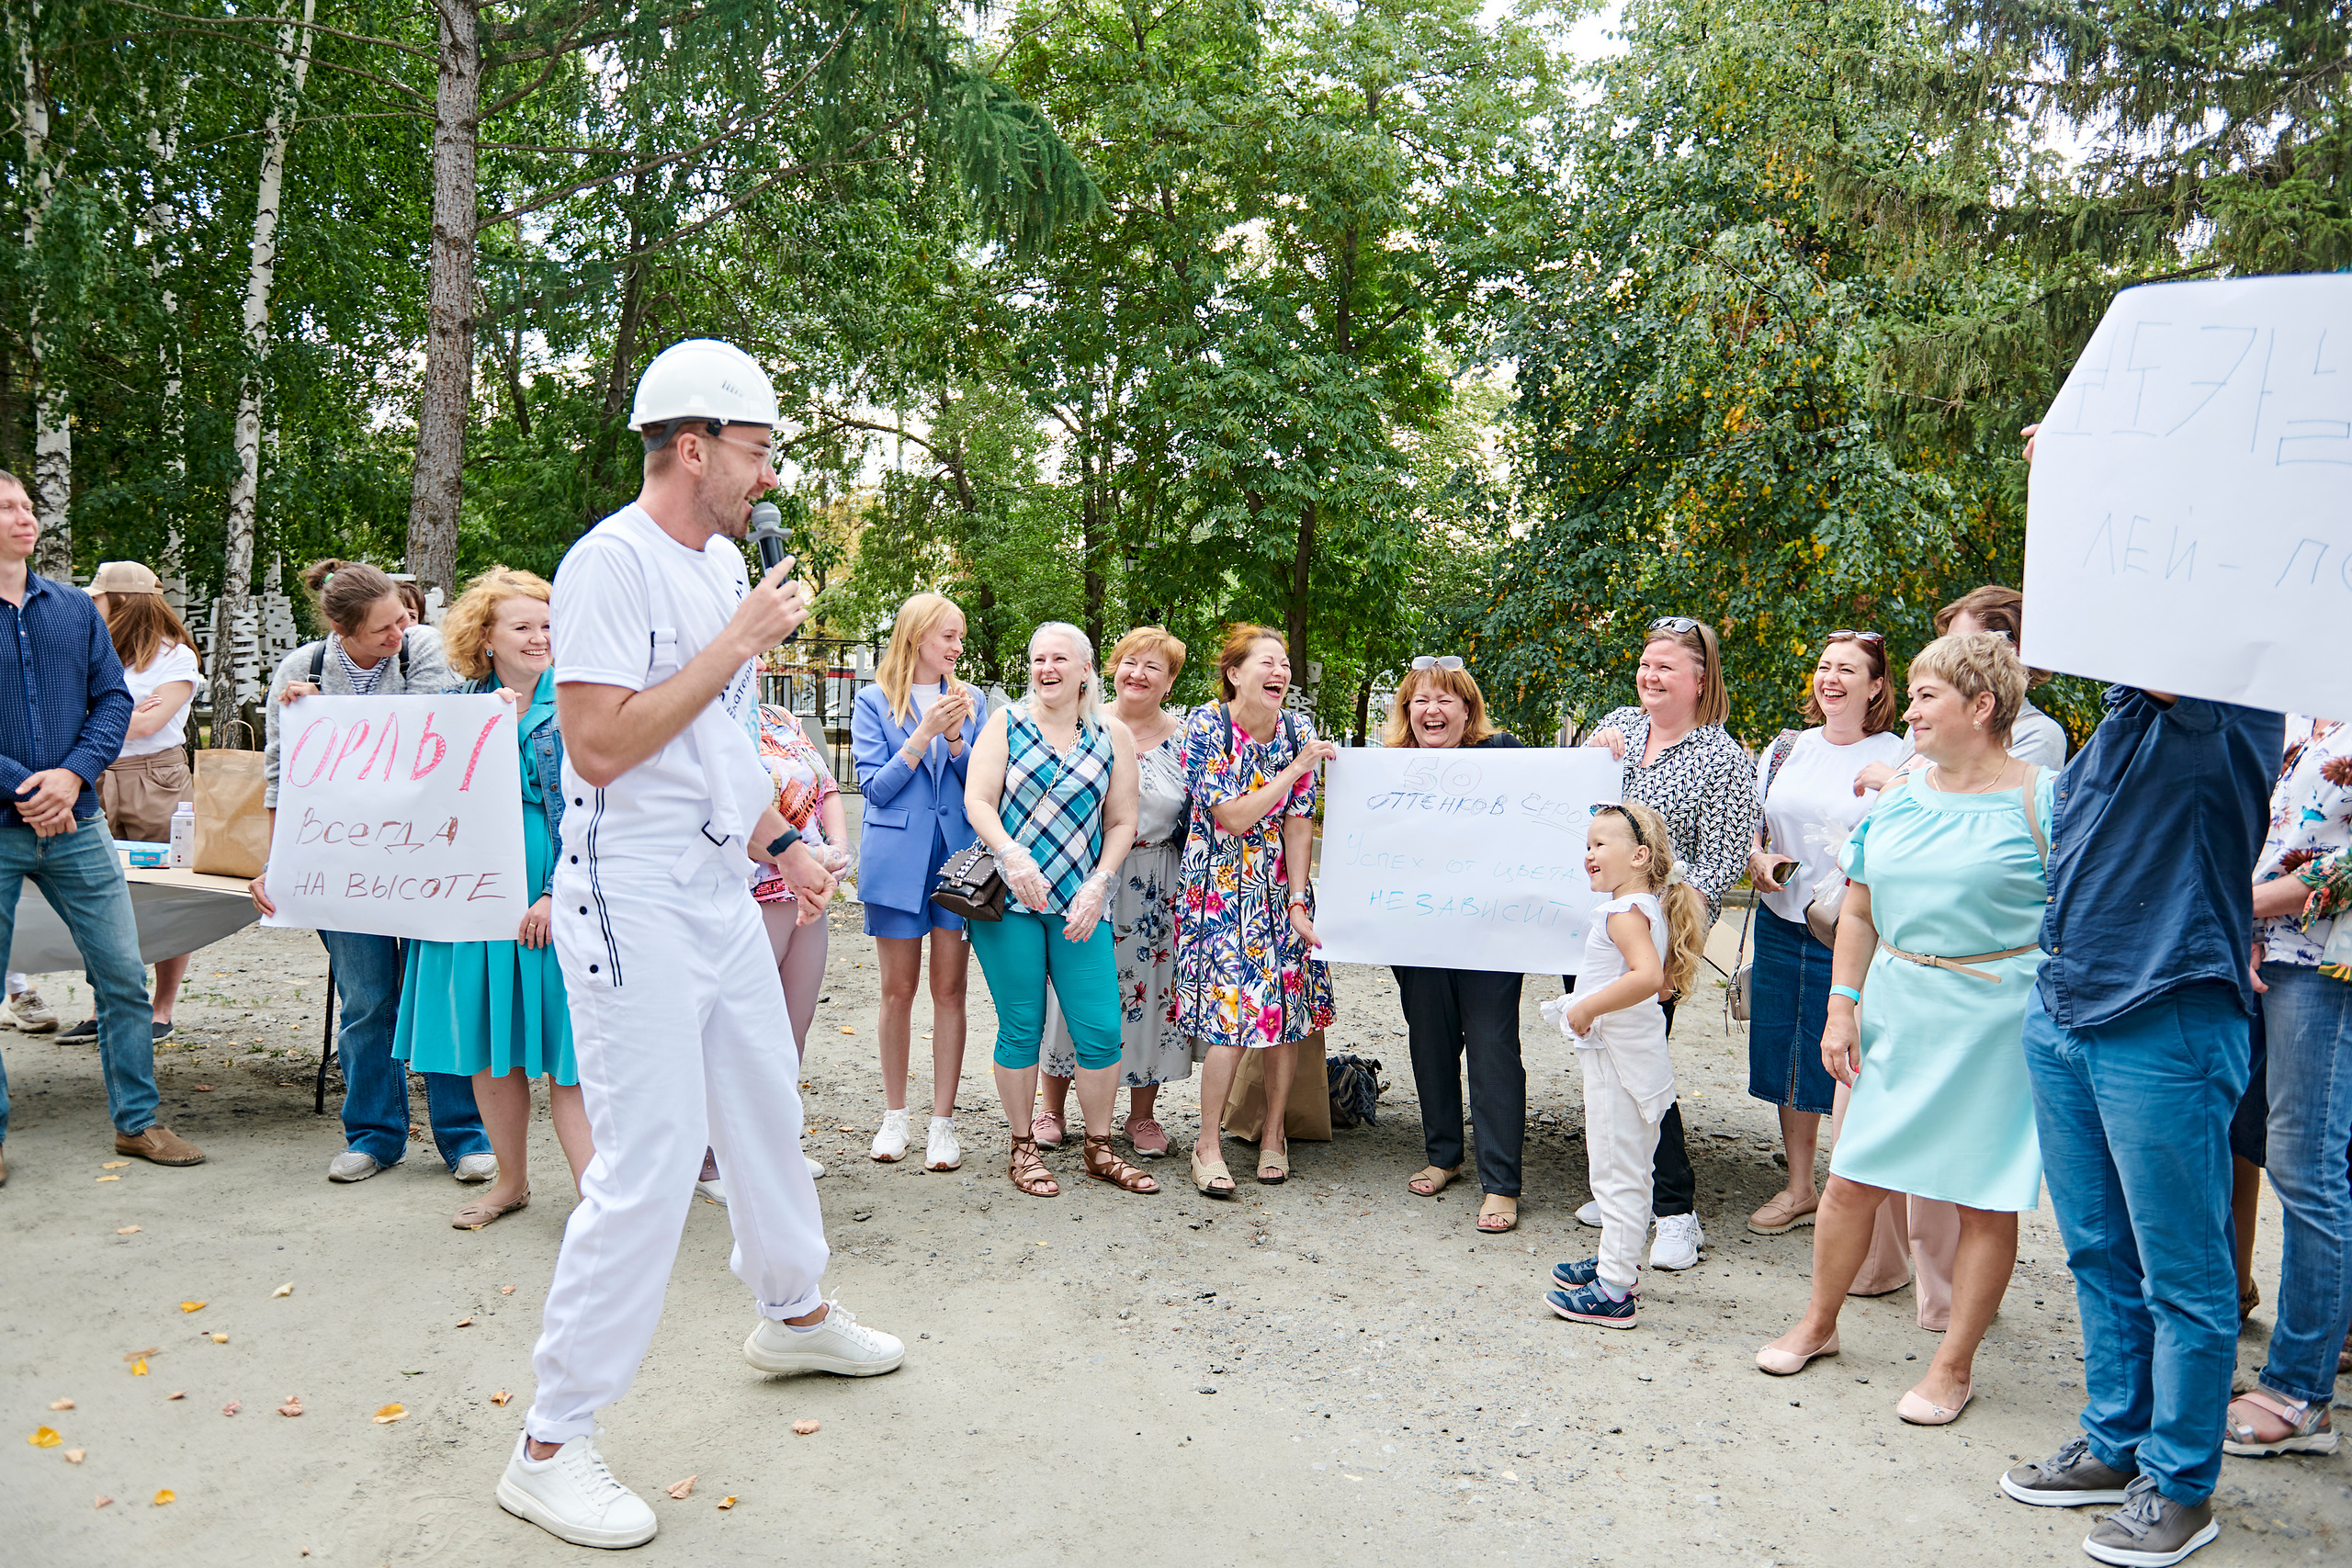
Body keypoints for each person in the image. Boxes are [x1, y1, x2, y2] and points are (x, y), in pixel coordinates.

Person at [497, 339, 902, 1549]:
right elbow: (599, 745)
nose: (767, 476)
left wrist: (783, 841)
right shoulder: (609, 563)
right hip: (628, 895)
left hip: (719, 885)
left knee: (764, 1104)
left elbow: (718, 741)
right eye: (757, 451)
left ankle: (793, 1312)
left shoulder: (722, 560)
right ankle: (549, 1444)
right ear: (692, 446)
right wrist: (735, 641)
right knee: (653, 1156)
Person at [1995, 423, 2279, 1568]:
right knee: (2097, 1254)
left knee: (2185, 1276)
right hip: (2065, 1009)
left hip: (2164, 1016)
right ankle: (2115, 1441)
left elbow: (2132, 612)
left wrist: (2084, 479)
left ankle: (2180, 1484)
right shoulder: (2123, 718)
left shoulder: (2222, 698)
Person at [1755, 634, 2053, 1427]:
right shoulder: (1902, 792)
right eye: (1912, 693)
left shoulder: (2045, 798)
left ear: (1981, 706)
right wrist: (1842, 1005)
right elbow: (1858, 908)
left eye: (1926, 696)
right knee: (1852, 1179)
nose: (1909, 711)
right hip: (1895, 1008)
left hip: (1995, 1022)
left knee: (1982, 1199)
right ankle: (1818, 1323)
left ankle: (1953, 1365)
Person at [250, 558, 490, 1186]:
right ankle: (373, 1136)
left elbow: (425, 736)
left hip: (430, 861)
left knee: (439, 993)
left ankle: (465, 1136)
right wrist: (277, 865)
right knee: (365, 1000)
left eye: (402, 619)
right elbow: (281, 779)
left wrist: (329, 718)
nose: (398, 633)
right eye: (383, 628)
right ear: (342, 629)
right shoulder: (299, 670)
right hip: (346, 865)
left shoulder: (424, 650)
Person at [0, 470, 202, 1183]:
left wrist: (72, 776)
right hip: (3, 822)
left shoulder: (71, 610)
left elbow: (113, 700)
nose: (25, 516)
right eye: (7, 507)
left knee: (120, 972)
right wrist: (27, 785)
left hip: (78, 820)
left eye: (28, 505)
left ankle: (138, 1123)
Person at [389, 568, 590, 1231]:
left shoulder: (581, 700)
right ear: (486, 637)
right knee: (490, 1046)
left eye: (548, 624)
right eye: (522, 626)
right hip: (474, 896)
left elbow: (599, 810)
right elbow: (390, 768)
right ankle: (511, 1182)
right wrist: (304, 703)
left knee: (569, 1053)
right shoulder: (458, 703)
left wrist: (556, 891)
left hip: (555, 891)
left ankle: (597, 1201)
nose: (540, 637)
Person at [1579, 615, 1759, 1269]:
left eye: (1666, 668)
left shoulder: (1722, 757)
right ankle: (1625, 1191)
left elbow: (1721, 861)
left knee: (1642, 1068)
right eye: (1645, 664)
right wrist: (1590, 751)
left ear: (1700, 680)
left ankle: (1677, 1210)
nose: (1650, 676)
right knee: (1605, 1065)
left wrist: (1669, 939)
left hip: (1654, 939)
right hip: (1596, 926)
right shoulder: (1619, 726)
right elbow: (1572, 806)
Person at [963, 622, 1152, 1197]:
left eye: (1060, 659)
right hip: (1010, 901)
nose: (1047, 668)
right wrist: (1011, 854)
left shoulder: (1111, 733)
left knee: (1101, 1029)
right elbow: (978, 800)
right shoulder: (1006, 723)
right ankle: (1023, 1148)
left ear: (1085, 670)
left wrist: (1101, 883)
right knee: (1022, 1027)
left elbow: (1122, 820)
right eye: (1039, 659)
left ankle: (1099, 1148)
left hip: (1081, 905)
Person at [1742, 632, 1907, 1235]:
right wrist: (1758, 857)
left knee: (1848, 1054)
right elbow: (1755, 821)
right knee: (1786, 1048)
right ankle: (1799, 1187)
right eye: (1824, 666)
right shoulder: (1788, 747)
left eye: (1848, 670)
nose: (1830, 678)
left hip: (1855, 930)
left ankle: (1852, 1194)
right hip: (1782, 920)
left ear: (1877, 686)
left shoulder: (1901, 756)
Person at [2222, 713, 2351, 1457]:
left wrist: (2240, 905)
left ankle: (2301, 1392)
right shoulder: (2303, 703)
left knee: (2309, 1170)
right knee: (2240, 1142)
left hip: (2329, 965)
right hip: (2266, 951)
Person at [1171, 626, 1338, 1195]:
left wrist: (1298, 899)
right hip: (1219, 891)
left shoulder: (1297, 730)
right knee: (1231, 1018)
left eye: (1285, 664)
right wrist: (1293, 770)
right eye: (1267, 662)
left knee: (1284, 1016)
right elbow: (1233, 817)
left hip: (1279, 890)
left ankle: (1273, 1136)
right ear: (1235, 673)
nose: (1280, 672)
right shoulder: (1205, 726)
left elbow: (1299, 822)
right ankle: (1207, 1144)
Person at [1540, 799, 1707, 1326]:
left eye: (1600, 844)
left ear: (1639, 856)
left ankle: (1614, 1290)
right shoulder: (1645, 907)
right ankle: (1616, 1260)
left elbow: (1649, 979)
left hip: (1619, 1062)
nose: (1589, 853)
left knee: (1616, 1172)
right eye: (1586, 844)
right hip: (1634, 1059)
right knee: (1626, 1168)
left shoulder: (1624, 913)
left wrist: (1586, 1007)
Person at [1385, 655, 1530, 1234]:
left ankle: (1502, 1183)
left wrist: (1600, 748)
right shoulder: (1387, 769)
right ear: (1407, 711)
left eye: (1446, 699)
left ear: (1468, 710)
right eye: (1420, 700)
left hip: (1492, 935)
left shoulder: (1503, 752)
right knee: (1431, 1041)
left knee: (1493, 1047)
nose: (1432, 710)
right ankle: (1444, 1155)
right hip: (1418, 933)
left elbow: (1557, 790)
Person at [1036, 626, 1192, 1158]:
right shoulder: (1081, 726)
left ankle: (1141, 1115)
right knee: (1068, 991)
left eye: (1154, 667)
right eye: (1130, 662)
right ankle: (1052, 1107)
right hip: (1082, 876)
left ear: (1169, 682)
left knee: (1151, 993)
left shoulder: (1187, 740)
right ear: (1111, 669)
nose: (1138, 674)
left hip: (1155, 884)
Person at [851, 592, 985, 1171]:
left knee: (950, 991)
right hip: (896, 862)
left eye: (959, 637)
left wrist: (954, 738)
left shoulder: (973, 700)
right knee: (897, 991)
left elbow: (981, 783)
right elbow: (875, 790)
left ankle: (942, 1123)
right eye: (948, 636)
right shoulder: (872, 700)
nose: (957, 646)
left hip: (957, 860)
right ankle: (895, 1115)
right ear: (916, 637)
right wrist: (923, 733)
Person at [699, 702, 853, 1201]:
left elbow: (827, 786)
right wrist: (801, 855)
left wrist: (837, 849)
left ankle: (774, 1143)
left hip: (809, 888)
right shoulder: (705, 719)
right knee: (737, 1028)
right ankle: (711, 1157)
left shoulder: (781, 718)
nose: (760, 664)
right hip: (749, 892)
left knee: (792, 1026)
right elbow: (723, 814)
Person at [56, 561, 203, 1042]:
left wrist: (96, 712)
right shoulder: (89, 650)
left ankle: (161, 1008)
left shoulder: (176, 657)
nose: (90, 605)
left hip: (155, 779)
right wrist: (121, 712)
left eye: (97, 597)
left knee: (168, 891)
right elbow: (64, 714)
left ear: (121, 601)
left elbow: (146, 725)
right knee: (98, 894)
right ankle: (107, 1006)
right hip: (95, 774)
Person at [1854, 584, 2070, 791]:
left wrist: (1894, 783)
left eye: (1962, 645)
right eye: (1946, 644)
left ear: (2009, 652)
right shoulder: (1923, 721)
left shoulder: (2038, 733)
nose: (1946, 655)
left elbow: (1996, 806)